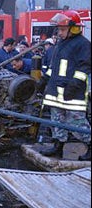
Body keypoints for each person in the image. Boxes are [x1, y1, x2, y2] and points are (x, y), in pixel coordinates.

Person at [37, 10, 91, 160]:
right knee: (57, 121)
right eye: (59, 29)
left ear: (73, 28)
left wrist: (73, 86)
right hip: (56, 92)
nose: (59, 33)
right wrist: (44, 80)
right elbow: (54, 67)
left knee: (77, 124)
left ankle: (90, 146)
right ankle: (58, 147)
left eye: (62, 29)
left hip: (73, 93)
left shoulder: (83, 45)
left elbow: (84, 68)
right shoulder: (61, 44)